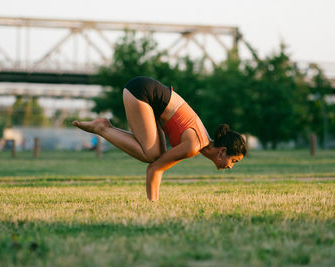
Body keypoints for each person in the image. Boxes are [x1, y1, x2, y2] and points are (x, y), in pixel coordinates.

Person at [73, 76, 247, 201]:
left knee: (155, 154)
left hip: (147, 95)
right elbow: (155, 169)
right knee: (152, 156)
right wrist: (153, 206)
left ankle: (104, 128)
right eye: (234, 161)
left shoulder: (201, 141)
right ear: (222, 152)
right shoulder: (194, 145)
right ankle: (102, 128)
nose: (231, 166)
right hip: (141, 93)